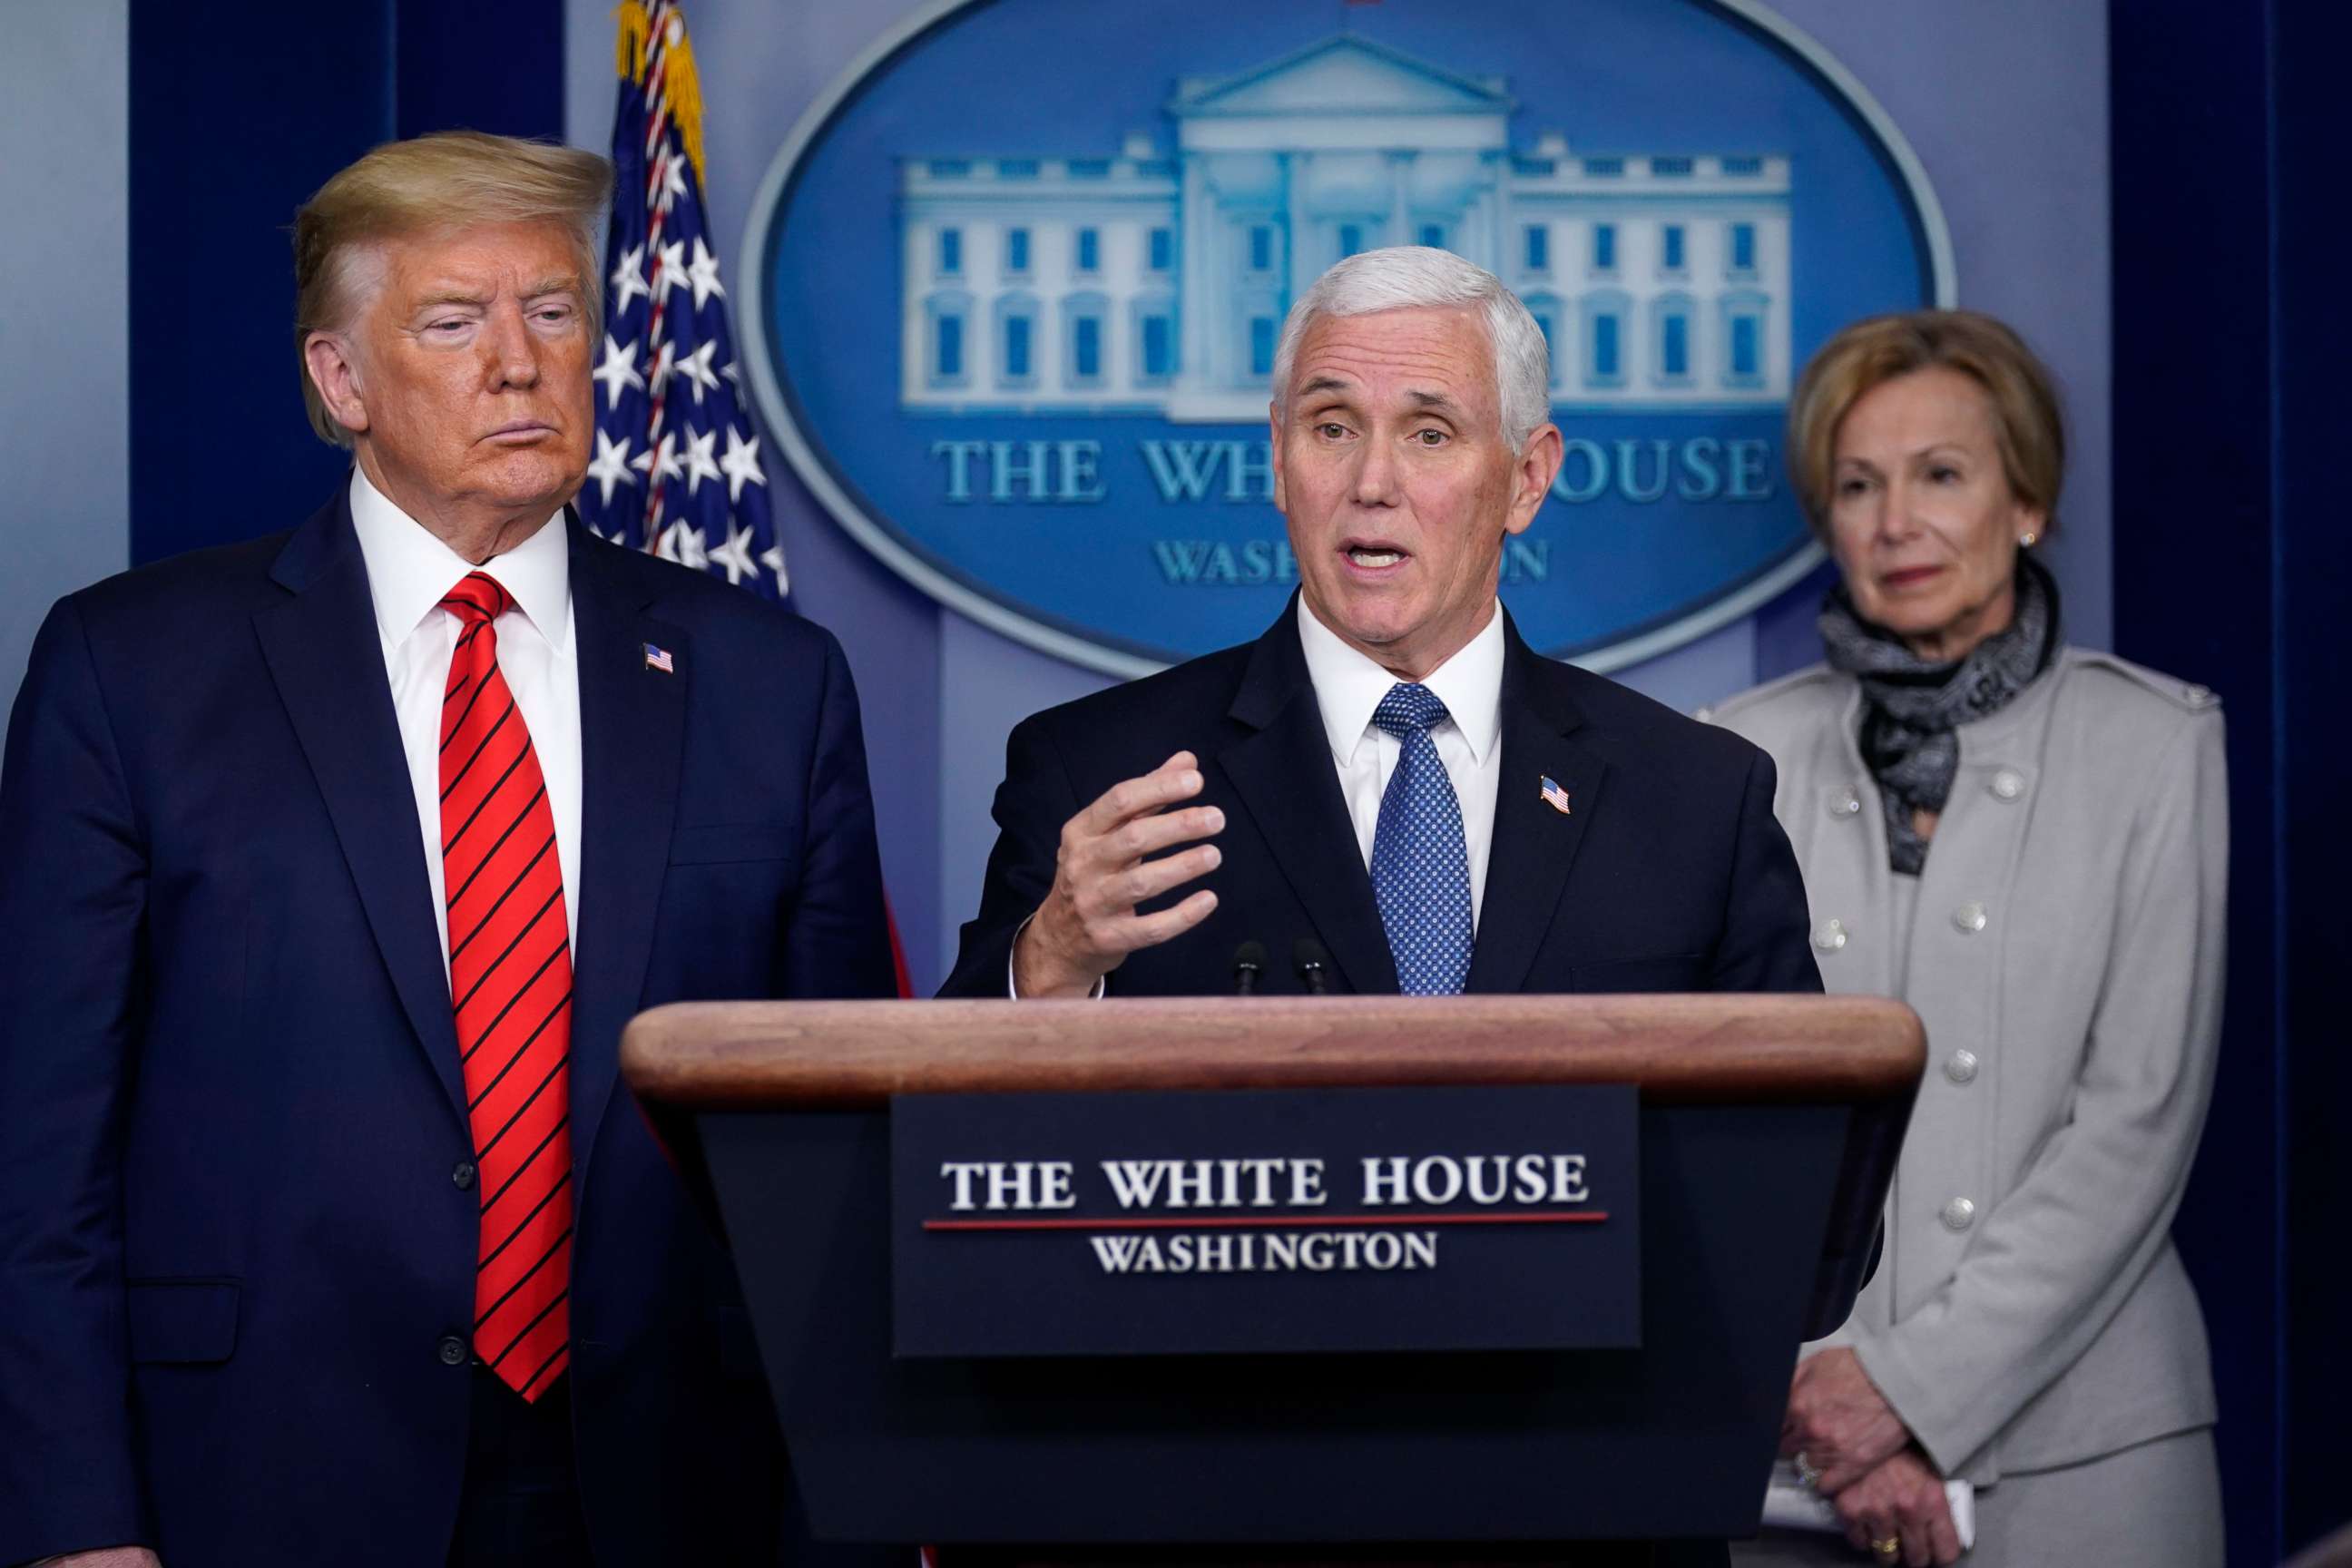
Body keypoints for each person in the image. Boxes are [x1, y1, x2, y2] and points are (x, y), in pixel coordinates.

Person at [0, 132, 897, 1567]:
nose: (520, 361)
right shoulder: (131, 672)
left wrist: (841, 1523)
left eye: (552, 313)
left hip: (674, 1492)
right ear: (339, 380)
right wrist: (73, 1525)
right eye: (452, 321)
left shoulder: (769, 681)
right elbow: (42, 1157)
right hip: (256, 1480)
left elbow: (840, 1160)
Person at [940, 247, 1818, 1004]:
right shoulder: (1098, 776)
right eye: (1332, 427)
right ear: (1279, 461)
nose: (1372, 482)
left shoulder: (1696, 801)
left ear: (1526, 479)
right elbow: (938, 1142)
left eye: (1429, 434)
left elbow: (1797, 1160)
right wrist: (1051, 959)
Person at [1708, 311, 2226, 1565]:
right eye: (1859, 485)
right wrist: (1830, 1391)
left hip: (2089, 1449)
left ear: (2028, 500)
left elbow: (2135, 1124)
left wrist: (1913, 1397)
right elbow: (1712, 1129)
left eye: (1941, 475)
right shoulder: (1741, 755)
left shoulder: (2156, 744)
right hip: (1797, 1442)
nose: (1897, 523)